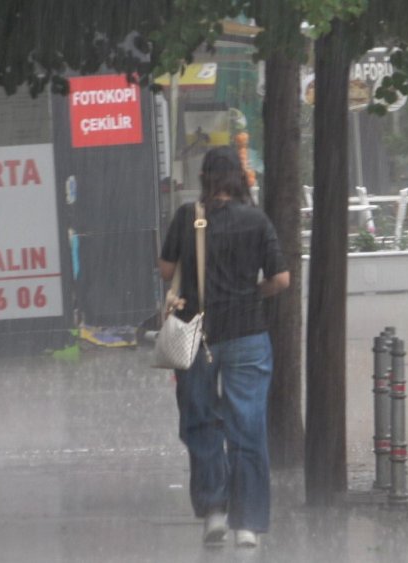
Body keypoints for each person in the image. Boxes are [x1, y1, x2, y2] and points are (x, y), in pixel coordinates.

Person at [158, 146, 289, 548]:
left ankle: (214, 511)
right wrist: (253, 290)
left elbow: (165, 271)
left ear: (206, 179)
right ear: (238, 178)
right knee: (247, 429)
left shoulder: (187, 216)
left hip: (198, 338)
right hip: (248, 335)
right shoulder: (257, 220)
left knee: (202, 424)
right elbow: (281, 279)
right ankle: (247, 524)